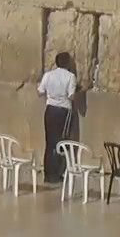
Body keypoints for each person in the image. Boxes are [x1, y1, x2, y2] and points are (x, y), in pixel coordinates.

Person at [37, 52, 79, 183]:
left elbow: (40, 92)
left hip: (50, 110)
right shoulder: (70, 77)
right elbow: (71, 96)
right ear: (67, 63)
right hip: (63, 112)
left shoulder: (48, 75)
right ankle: (58, 173)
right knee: (62, 142)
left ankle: (48, 174)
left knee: (50, 142)